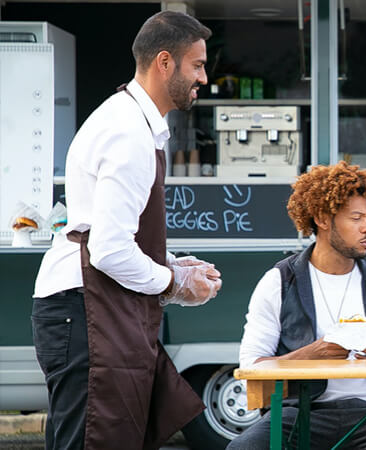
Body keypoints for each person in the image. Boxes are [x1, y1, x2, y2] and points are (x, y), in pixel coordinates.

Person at [31, 11, 222, 450]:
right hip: (84, 312)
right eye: (197, 65)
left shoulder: (133, 120)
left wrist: (173, 266)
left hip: (87, 308)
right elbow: (111, 250)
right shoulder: (129, 133)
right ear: (164, 62)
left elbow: (110, 236)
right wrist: (176, 282)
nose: (204, 78)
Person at [228, 161, 366, 450]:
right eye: (356, 218)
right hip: (299, 411)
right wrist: (313, 354)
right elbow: (251, 366)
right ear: (323, 218)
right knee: (243, 448)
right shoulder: (279, 281)